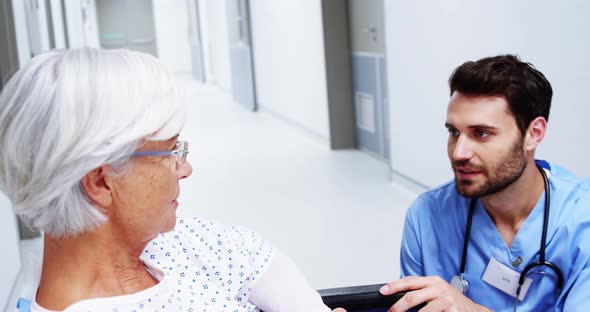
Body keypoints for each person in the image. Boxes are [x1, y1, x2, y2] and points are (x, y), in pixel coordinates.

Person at [0, 48, 342, 312]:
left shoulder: (168, 241)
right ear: (101, 182)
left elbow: (253, 256)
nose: (185, 168)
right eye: (170, 151)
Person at [379, 55, 590, 311]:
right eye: (454, 132)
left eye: (481, 133)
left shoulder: (580, 220)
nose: (459, 152)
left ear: (533, 134)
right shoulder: (427, 217)